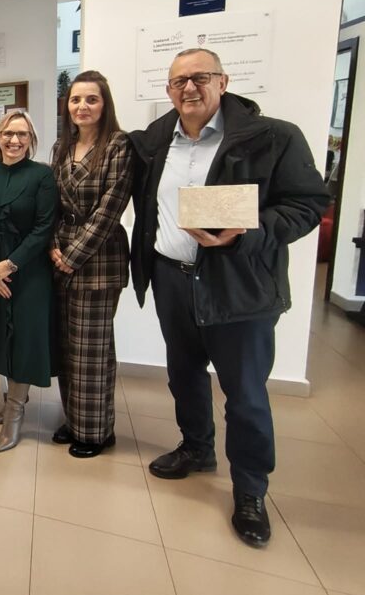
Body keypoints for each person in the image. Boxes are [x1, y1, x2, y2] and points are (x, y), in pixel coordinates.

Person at [130, 48, 328, 547]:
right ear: (168, 90)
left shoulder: (274, 136)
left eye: (200, 77)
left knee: (245, 395)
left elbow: (308, 204)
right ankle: (197, 448)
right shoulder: (155, 141)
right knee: (184, 375)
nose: (189, 88)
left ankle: (250, 490)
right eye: (178, 81)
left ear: (223, 81)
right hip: (172, 278)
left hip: (240, 285)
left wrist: (249, 230)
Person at [49, 71, 133, 458]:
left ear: (104, 104)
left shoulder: (118, 145)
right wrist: (53, 246)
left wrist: (73, 256)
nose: (82, 106)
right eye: (75, 100)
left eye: (91, 99)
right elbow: (50, 202)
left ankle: (96, 432)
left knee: (91, 351)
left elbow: (109, 210)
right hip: (60, 255)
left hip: (99, 260)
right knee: (68, 347)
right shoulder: (61, 147)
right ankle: (75, 420)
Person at [0, 110, 56, 452]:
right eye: (8, 133)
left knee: (24, 337)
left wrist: (9, 265)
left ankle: (15, 413)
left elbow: (44, 228)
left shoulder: (42, 176)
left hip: (28, 270)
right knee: (1, 336)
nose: (14, 140)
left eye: (22, 134)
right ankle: (10, 400)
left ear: (31, 139)